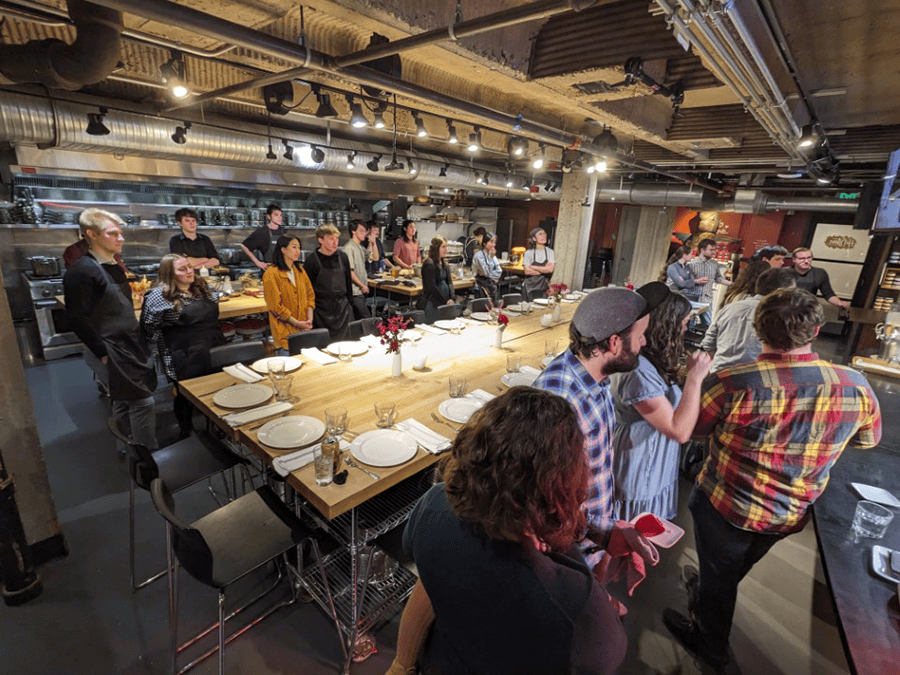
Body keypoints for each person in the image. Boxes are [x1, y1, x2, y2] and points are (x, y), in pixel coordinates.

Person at [663, 288, 882, 674]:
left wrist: (695, 380)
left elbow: (692, 430)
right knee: (731, 568)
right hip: (789, 511)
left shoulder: (730, 382)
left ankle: (709, 644)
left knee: (721, 572)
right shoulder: (856, 385)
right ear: (815, 331)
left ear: (757, 328)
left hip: (725, 505)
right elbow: (868, 440)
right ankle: (710, 591)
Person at [385, 387, 627, 675]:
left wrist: (601, 534)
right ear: (564, 485)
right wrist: (601, 581)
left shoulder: (433, 505)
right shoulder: (576, 608)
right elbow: (607, 655)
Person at [533, 287, 658, 569]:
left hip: (592, 540)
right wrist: (603, 535)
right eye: (639, 336)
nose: (644, 342)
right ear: (614, 343)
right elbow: (551, 502)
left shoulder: (593, 376)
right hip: (570, 552)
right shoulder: (562, 403)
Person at [610, 283, 711, 521]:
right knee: (631, 535)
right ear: (666, 324)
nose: (685, 327)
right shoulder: (637, 370)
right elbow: (679, 431)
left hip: (654, 457)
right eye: (683, 322)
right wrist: (695, 378)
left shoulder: (650, 358)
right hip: (637, 460)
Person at [63, 208, 157, 450]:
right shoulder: (81, 271)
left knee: (123, 400)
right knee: (142, 402)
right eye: (113, 233)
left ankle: (126, 448)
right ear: (91, 235)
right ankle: (150, 459)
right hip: (111, 349)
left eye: (121, 233)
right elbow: (76, 318)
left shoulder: (113, 265)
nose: (121, 238)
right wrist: (102, 353)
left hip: (128, 343)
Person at [141, 254, 225, 437]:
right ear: (168, 273)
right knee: (185, 394)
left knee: (217, 387)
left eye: (190, 266)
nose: (189, 271)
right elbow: (150, 329)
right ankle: (186, 430)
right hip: (182, 352)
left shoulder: (203, 288)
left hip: (212, 344)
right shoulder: (159, 296)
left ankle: (218, 425)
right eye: (182, 269)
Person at [701, 267, 795, 373]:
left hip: (719, 374)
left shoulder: (731, 307)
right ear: (781, 292)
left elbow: (708, 344)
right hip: (756, 378)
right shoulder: (781, 316)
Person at [263, 236, 315, 354]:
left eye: (299, 248)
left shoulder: (301, 271)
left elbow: (310, 296)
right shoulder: (271, 274)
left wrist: (309, 320)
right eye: (294, 247)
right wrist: (297, 323)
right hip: (284, 334)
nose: (298, 251)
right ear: (283, 250)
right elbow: (276, 307)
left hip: (303, 332)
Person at [303, 223, 352, 341]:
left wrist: (350, 305)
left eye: (337, 238)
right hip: (321, 312)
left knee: (344, 345)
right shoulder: (311, 261)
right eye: (331, 239)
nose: (335, 242)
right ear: (321, 240)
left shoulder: (343, 257)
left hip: (342, 310)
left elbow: (348, 283)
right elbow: (306, 291)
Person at [687, 238, 731, 327]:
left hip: (707, 299)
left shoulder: (714, 264)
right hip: (692, 299)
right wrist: (696, 281)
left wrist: (733, 284)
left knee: (708, 325)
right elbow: (683, 281)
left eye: (715, 250)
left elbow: (718, 278)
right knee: (689, 324)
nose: (714, 252)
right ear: (702, 250)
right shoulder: (691, 263)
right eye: (711, 250)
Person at [417, 236, 455, 324]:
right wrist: (444, 301)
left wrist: (452, 298)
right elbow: (432, 287)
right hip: (433, 302)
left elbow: (449, 282)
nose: (446, 249)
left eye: (446, 247)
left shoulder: (444, 263)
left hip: (446, 302)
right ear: (436, 248)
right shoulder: (429, 264)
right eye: (443, 247)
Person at [239, 204, 283, 270]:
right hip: (270, 270)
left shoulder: (283, 231)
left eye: (280, 215)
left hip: (284, 269)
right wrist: (258, 263)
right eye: (276, 215)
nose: (280, 218)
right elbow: (244, 246)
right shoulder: (262, 232)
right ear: (268, 216)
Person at [342, 219, 371, 320]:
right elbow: (350, 271)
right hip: (355, 291)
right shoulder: (349, 248)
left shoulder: (360, 247)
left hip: (360, 291)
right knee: (366, 319)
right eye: (361, 231)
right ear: (353, 231)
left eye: (365, 231)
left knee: (361, 319)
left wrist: (373, 242)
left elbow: (374, 257)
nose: (364, 234)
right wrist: (361, 285)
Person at [522, 227, 556, 300]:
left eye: (544, 234)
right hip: (529, 287)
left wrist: (533, 267)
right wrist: (544, 270)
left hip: (544, 287)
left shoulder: (550, 252)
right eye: (540, 234)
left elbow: (550, 270)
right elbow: (527, 271)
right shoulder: (529, 253)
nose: (543, 236)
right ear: (534, 239)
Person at [472, 232, 503, 304]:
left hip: (491, 285)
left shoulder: (492, 255)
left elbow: (499, 271)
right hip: (481, 286)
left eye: (494, 243)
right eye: (491, 242)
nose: (493, 245)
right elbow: (486, 272)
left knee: (493, 309)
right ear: (484, 243)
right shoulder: (478, 256)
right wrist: (491, 258)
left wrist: (489, 275)